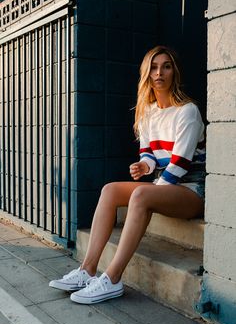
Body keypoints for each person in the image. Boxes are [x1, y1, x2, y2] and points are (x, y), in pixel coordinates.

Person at [49, 45, 206, 304]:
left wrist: (153, 185)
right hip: (164, 185)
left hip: (191, 191)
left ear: (174, 72)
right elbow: (148, 154)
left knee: (142, 195)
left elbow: (178, 165)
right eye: (153, 67)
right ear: (146, 73)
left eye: (166, 66)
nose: (159, 73)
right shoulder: (147, 113)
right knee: (110, 190)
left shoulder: (187, 111)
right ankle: (87, 270)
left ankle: (112, 278)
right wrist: (144, 166)